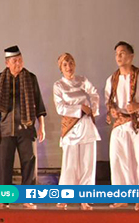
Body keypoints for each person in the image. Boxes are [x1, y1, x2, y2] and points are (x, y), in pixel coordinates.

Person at [105, 41, 139, 212]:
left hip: (138, 123)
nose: (119, 57)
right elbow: (109, 102)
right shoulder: (112, 79)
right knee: (117, 159)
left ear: (131, 56)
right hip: (120, 124)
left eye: (122, 53)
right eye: (116, 54)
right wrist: (112, 110)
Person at [0, 46, 46, 210]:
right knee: (4, 164)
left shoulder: (30, 78)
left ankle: (28, 198)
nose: (18, 63)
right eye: (15, 61)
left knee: (29, 164)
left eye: (20, 60)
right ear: (7, 63)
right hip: (6, 129)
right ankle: (3, 198)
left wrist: (41, 126)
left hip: (27, 128)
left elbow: (39, 104)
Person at [53, 53, 99, 211]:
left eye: (71, 63)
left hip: (86, 125)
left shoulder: (82, 80)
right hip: (71, 127)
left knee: (87, 163)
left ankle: (85, 198)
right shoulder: (58, 85)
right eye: (65, 64)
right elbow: (60, 108)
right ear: (61, 68)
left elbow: (94, 94)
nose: (69, 67)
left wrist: (92, 109)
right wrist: (80, 108)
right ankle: (64, 196)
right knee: (70, 163)